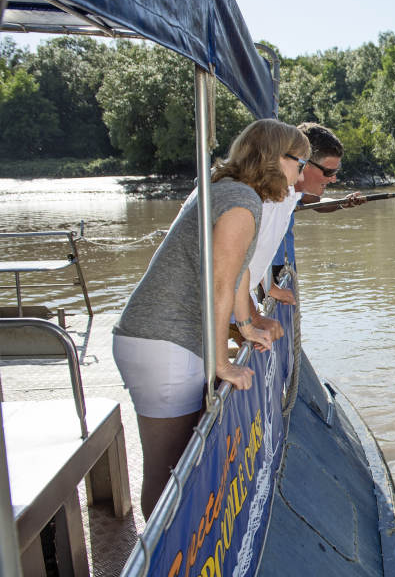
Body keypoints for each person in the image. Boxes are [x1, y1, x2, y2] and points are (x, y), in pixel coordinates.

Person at [112, 118, 310, 518]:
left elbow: (236, 276)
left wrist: (249, 324)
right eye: (300, 163)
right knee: (170, 473)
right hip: (165, 342)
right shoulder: (241, 203)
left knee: (175, 467)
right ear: (275, 158)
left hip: (159, 339)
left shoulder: (231, 191)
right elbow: (221, 284)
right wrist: (223, 363)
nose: (301, 175)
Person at [267, 122, 365, 296]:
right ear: (304, 162)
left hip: (285, 270)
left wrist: (343, 202)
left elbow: (317, 202)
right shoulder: (268, 194)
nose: (334, 179)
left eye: (337, 171)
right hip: (269, 274)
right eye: (329, 172)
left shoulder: (294, 191)